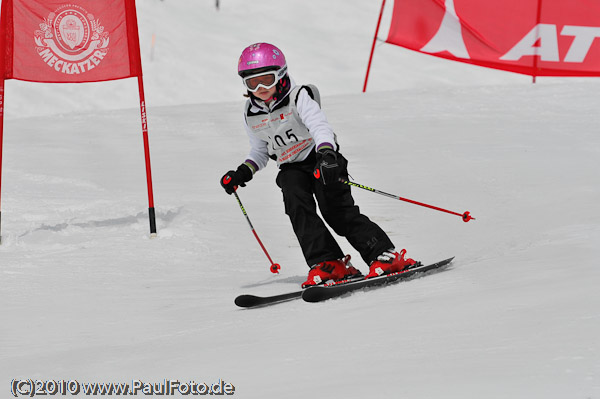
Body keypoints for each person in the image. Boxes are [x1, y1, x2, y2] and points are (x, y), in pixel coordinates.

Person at [220, 42, 415, 288]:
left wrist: (327, 154)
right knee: (297, 209)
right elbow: (260, 150)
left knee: (336, 212)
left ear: (281, 75)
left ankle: (384, 255)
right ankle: (329, 263)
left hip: (321, 160)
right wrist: (242, 172)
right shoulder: (251, 113)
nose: (260, 88)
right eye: (252, 83)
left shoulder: (298, 96)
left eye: (266, 80)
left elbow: (319, 126)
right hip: (291, 167)